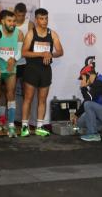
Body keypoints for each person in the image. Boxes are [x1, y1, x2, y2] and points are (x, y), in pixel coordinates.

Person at [21, 8, 64, 137]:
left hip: (45, 70)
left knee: (42, 99)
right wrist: (42, 54)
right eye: (41, 18)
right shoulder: (31, 33)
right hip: (31, 69)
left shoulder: (52, 34)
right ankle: (24, 127)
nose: (44, 21)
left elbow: (60, 51)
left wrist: (51, 54)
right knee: (28, 99)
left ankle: (39, 126)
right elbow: (24, 52)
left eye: (46, 18)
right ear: (36, 19)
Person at [0, 10, 23, 137]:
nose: (13, 23)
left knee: (11, 94)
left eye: (14, 21)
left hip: (10, 69)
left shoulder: (19, 33)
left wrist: (14, 59)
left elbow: (19, 52)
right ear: (3, 21)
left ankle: (10, 125)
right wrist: (0, 63)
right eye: (9, 21)